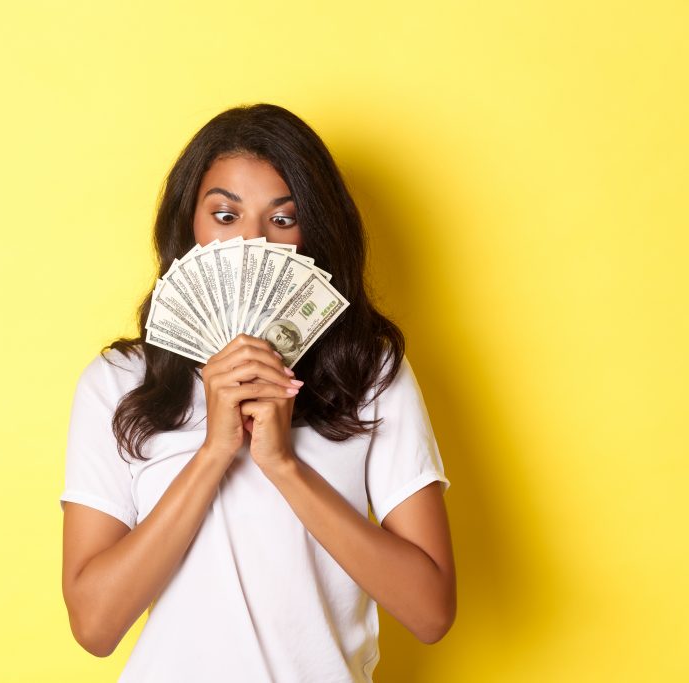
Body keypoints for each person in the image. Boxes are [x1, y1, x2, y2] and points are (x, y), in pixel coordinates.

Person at [59, 103, 455, 682]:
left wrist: (282, 464)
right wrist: (215, 450)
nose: (250, 244)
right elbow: (94, 626)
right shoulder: (120, 382)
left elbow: (431, 612)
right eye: (224, 215)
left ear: (315, 234)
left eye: (282, 219)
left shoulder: (369, 372)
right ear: (187, 227)